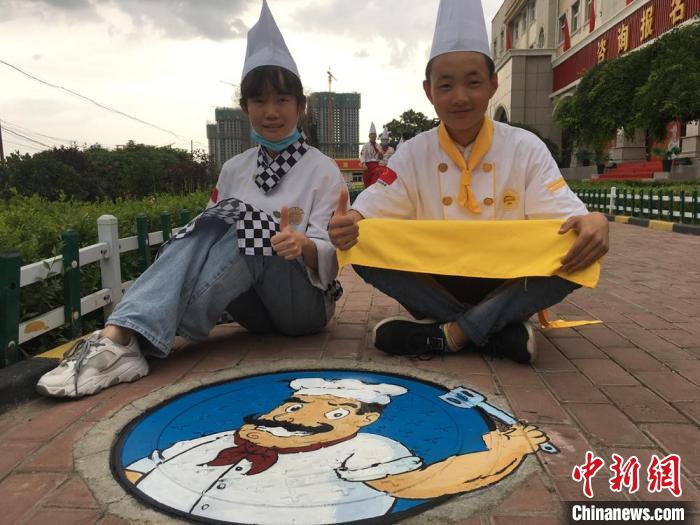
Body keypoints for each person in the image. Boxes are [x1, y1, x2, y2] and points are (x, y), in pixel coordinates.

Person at [37, 0, 347, 398]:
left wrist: (303, 245)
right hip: (253, 312)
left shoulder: (323, 169)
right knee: (209, 226)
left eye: (282, 100)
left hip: (303, 307)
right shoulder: (234, 169)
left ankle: (128, 337)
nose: (271, 111)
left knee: (247, 223)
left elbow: (331, 260)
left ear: (300, 107)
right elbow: (206, 245)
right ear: (245, 109)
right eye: (259, 101)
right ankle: (121, 336)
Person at [329, 0, 609, 364]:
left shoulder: (525, 146)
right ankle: (493, 329)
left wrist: (594, 220)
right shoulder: (413, 152)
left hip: (507, 280)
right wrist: (351, 221)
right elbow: (376, 204)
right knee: (361, 242)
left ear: (492, 84)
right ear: (429, 91)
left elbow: (565, 212)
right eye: (446, 86)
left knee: (579, 246)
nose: (460, 97)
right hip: (434, 280)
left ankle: (449, 334)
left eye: (473, 83)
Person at [122, 377, 546, 524]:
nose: (296, 418)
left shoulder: (369, 448)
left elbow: (421, 483)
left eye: (336, 411)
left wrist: (505, 450)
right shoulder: (219, 439)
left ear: (363, 419)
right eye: (294, 406)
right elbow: (142, 470)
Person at [359, 122, 384, 187]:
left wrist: (380, 153)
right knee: (367, 183)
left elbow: (381, 157)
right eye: (371, 134)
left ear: (376, 136)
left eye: (374, 134)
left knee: (374, 184)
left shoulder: (379, 146)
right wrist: (363, 164)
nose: (373, 136)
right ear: (369, 136)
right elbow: (362, 155)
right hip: (367, 166)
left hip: (376, 166)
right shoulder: (365, 146)